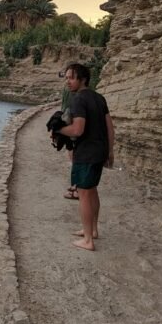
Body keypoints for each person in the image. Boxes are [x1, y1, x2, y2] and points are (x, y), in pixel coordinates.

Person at [54, 63, 114, 251]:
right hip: (99, 151)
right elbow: (110, 127)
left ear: (83, 79)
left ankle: (88, 240)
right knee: (92, 190)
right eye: (66, 78)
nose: (68, 82)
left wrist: (57, 129)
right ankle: (92, 230)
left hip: (86, 153)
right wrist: (110, 151)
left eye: (71, 78)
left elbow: (78, 130)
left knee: (84, 194)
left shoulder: (78, 100)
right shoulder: (99, 98)